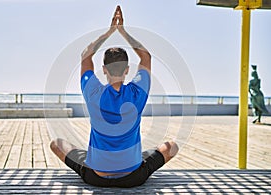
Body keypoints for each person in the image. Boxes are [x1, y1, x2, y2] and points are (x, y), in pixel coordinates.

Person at [50, 6, 178, 188]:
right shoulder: (137, 93)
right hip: (133, 176)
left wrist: (109, 32)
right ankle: (133, 157)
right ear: (127, 70)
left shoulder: (93, 91)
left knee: (57, 144)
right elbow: (146, 56)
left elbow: (86, 55)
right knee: (171, 146)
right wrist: (123, 31)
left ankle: (106, 159)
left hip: (97, 176)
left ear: (103, 70)